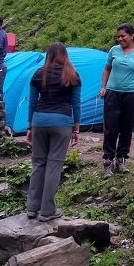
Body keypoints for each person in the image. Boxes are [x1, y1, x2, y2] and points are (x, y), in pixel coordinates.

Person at [26, 42, 81, 221]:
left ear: (48, 56)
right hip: (62, 122)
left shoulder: (38, 74)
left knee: (38, 164)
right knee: (54, 166)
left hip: (39, 121)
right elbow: (76, 104)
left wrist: (29, 127)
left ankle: (32, 208)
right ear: (65, 55)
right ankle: (47, 211)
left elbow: (32, 102)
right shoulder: (73, 75)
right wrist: (77, 128)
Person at [99, 23, 134, 177]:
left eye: (123, 36)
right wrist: (103, 87)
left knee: (126, 128)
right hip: (113, 93)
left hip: (132, 94)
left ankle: (121, 160)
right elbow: (107, 69)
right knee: (110, 127)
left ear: (131, 36)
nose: (120, 39)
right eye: (118, 36)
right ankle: (108, 160)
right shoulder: (113, 51)